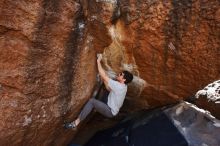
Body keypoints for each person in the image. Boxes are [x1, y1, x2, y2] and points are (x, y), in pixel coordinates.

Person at [64, 55, 133, 129]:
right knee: (106, 89)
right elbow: (108, 88)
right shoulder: (124, 87)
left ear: (124, 80)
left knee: (91, 101)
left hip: (110, 111)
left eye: (121, 74)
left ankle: (75, 123)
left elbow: (104, 76)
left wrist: (98, 61)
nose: (119, 74)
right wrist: (104, 79)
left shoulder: (118, 86)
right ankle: (96, 108)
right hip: (110, 103)